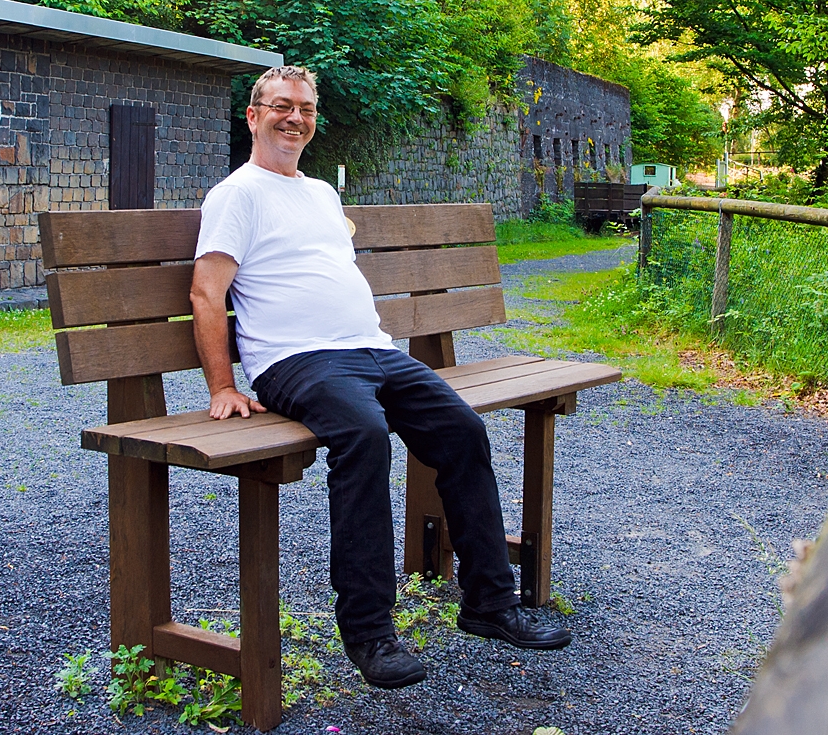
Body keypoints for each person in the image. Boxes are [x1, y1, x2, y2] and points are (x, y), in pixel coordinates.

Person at [190, 65, 571, 689]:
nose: (295, 118)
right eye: (282, 106)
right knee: (364, 438)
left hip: (371, 349)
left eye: (306, 108)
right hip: (294, 359)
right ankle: (369, 633)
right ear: (253, 116)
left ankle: (489, 604)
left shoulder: (319, 193)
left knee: (462, 430)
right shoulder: (237, 194)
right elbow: (207, 294)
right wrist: (223, 387)